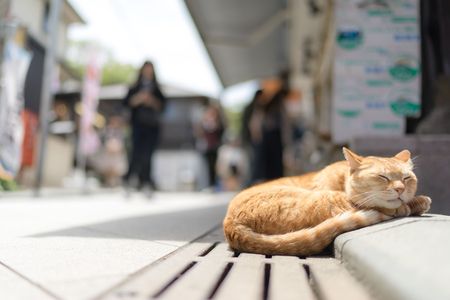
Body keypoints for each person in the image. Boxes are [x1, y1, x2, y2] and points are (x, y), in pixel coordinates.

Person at [123, 61, 166, 194]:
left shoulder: (157, 89)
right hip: (137, 125)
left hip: (152, 126)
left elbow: (163, 106)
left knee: (148, 155)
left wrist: (151, 101)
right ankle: (129, 181)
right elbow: (125, 103)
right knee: (135, 153)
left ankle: (146, 182)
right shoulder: (135, 87)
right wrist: (139, 99)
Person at [197, 103, 225, 188]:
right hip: (206, 147)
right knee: (206, 166)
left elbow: (221, 132)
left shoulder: (219, 122)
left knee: (214, 166)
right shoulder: (203, 122)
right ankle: (207, 184)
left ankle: (213, 184)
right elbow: (199, 133)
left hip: (215, 147)